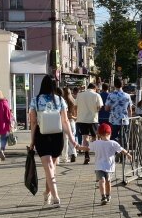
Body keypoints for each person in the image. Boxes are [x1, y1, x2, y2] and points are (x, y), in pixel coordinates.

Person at [28, 75, 78, 206]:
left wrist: (32, 142)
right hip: (57, 136)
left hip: (41, 135)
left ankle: (48, 193)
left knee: (49, 167)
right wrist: (72, 139)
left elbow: (33, 122)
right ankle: (55, 195)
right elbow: (65, 121)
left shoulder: (35, 100)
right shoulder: (60, 100)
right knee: (51, 167)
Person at [77, 123, 131, 205]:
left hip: (99, 166)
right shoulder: (112, 143)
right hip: (108, 167)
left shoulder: (97, 143)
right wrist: (128, 154)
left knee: (102, 181)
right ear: (110, 133)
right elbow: (122, 149)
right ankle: (106, 196)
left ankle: (104, 196)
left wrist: (78, 147)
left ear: (98, 134)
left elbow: (87, 148)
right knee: (107, 181)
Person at [75, 82, 103, 164]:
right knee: (94, 137)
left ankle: (86, 155)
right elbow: (99, 107)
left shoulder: (80, 95)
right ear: (94, 88)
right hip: (92, 119)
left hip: (81, 119)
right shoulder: (96, 95)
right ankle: (96, 156)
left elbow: (75, 105)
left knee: (85, 138)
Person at [105, 83, 133, 148]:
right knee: (124, 137)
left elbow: (106, 108)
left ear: (114, 85)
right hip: (124, 120)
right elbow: (130, 110)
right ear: (122, 85)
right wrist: (130, 119)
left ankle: (114, 153)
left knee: (113, 137)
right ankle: (124, 153)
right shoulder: (127, 95)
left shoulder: (111, 95)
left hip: (113, 120)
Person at [61, 86, 78, 163]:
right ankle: (73, 153)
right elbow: (76, 115)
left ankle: (65, 157)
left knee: (65, 140)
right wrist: (73, 117)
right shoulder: (74, 101)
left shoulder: (62, 101)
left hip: (64, 122)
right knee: (72, 139)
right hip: (72, 122)